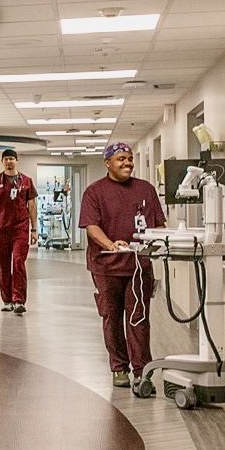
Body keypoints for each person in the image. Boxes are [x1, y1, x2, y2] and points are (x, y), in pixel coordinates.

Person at [78, 142, 167, 390]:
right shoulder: (94, 192)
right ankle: (119, 368)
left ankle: (142, 370)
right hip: (106, 267)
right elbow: (91, 226)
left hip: (139, 266)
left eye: (129, 159)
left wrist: (158, 240)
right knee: (112, 317)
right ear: (107, 163)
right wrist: (110, 245)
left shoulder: (146, 190)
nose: (127, 163)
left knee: (139, 318)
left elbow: (159, 224)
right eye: (121, 159)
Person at [0, 148, 37, 315]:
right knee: (4, 265)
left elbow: (32, 206)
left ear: (16, 160)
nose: (9, 161)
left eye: (12, 158)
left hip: (20, 228)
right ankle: (7, 300)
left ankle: (19, 300)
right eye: (6, 159)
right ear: (2, 161)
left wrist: (34, 229)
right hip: (1, 229)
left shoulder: (26, 181)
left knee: (18, 262)